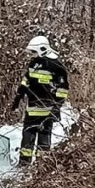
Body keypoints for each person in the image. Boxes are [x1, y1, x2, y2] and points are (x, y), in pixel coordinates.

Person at [11, 35, 69, 165]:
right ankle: (24, 164)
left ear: (42, 49)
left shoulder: (56, 66)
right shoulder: (34, 63)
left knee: (44, 138)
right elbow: (26, 81)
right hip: (32, 108)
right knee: (27, 138)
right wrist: (19, 96)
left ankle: (42, 165)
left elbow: (63, 89)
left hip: (48, 110)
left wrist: (56, 106)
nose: (32, 55)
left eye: (34, 51)